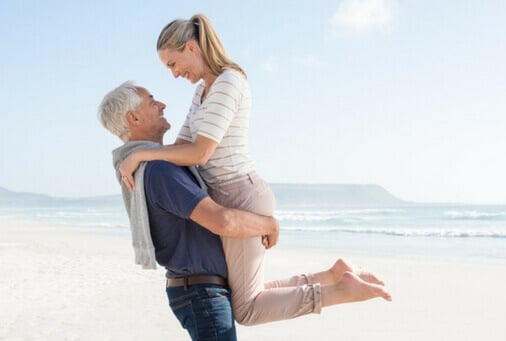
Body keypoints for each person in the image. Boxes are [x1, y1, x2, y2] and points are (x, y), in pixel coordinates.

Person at [117, 15, 391, 326]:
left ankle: (340, 290)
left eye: (172, 63)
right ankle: (332, 275)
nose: (175, 73)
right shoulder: (201, 92)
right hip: (227, 195)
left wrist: (139, 154)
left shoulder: (228, 82)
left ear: (191, 48)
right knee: (248, 296)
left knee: (246, 310)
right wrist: (145, 156)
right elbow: (180, 145)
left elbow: (200, 152)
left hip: (241, 194)